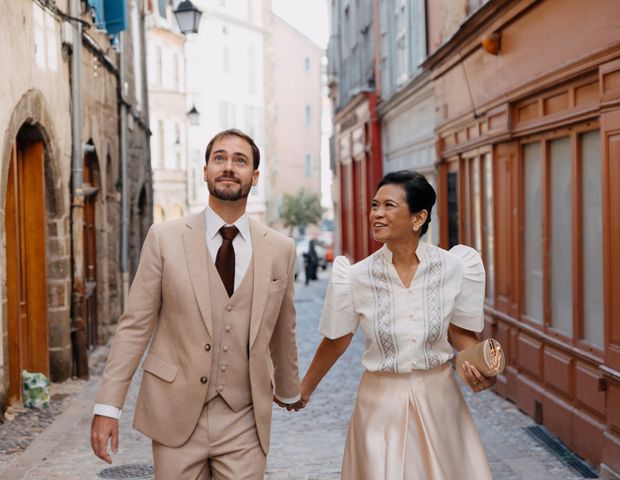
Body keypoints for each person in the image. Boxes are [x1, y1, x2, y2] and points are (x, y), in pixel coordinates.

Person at [90, 129, 303, 479]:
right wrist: (107, 407)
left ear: (255, 176)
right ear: (204, 171)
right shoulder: (164, 238)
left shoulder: (281, 249)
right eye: (220, 158)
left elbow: (283, 328)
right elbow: (134, 327)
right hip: (175, 413)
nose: (229, 167)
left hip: (244, 418)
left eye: (240, 160)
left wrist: (290, 390)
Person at [300, 170, 495, 479]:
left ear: (418, 218)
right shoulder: (355, 277)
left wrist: (482, 368)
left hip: (440, 402)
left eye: (389, 206)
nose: (377, 214)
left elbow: (460, 333)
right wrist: (304, 388)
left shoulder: (456, 267)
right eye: (375, 205)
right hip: (378, 406)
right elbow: (337, 339)